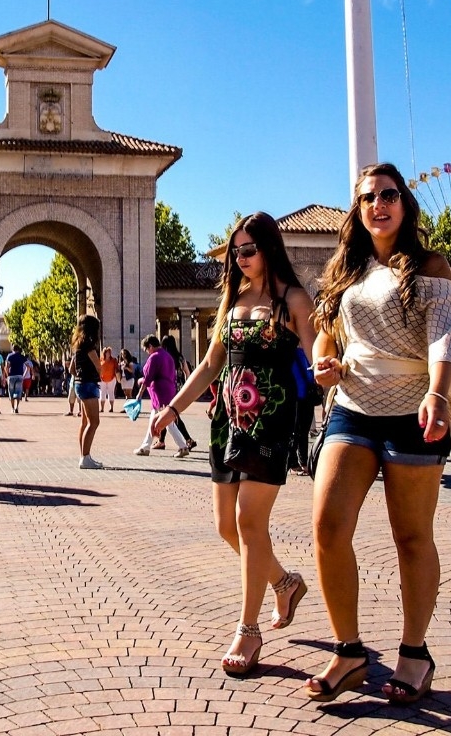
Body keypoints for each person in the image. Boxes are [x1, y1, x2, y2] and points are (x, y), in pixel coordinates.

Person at [301, 165, 451, 704]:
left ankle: (414, 654)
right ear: (358, 209)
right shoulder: (344, 272)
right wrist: (323, 363)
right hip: (352, 406)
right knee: (328, 527)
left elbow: (443, 339)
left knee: (411, 536)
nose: (379, 204)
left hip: (414, 410)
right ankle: (348, 652)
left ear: (405, 203)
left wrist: (438, 395)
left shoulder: (429, 265)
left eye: (389, 195)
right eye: (369, 197)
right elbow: (324, 338)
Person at [150, 211, 315, 679]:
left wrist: (329, 368)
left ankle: (248, 629)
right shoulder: (234, 300)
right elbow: (207, 366)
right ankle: (284, 583)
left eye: (249, 249)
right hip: (228, 420)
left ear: (269, 247)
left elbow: (316, 347)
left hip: (271, 420)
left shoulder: (293, 299)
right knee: (227, 526)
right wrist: (172, 410)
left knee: (248, 521)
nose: (241, 259)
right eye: (235, 252)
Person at [133, 335, 191, 457]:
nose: (147, 352)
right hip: (169, 390)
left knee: (164, 421)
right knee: (163, 420)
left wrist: (139, 393)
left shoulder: (154, 357)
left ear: (150, 346)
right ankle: (147, 446)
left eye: (146, 349)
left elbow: (148, 377)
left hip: (159, 393)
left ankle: (182, 446)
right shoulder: (168, 356)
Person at [69, 315, 105, 469]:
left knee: (85, 422)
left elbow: (71, 369)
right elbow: (99, 365)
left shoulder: (77, 345)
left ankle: (85, 455)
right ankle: (85, 458)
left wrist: (80, 375)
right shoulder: (89, 345)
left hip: (79, 384)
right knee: (94, 422)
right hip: (89, 384)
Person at [157, 335, 198, 450]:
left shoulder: (165, 357)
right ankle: (161, 441)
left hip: (168, 388)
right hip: (179, 388)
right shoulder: (180, 357)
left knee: (171, 414)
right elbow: (187, 372)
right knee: (167, 413)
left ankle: (188, 439)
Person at [4, 344, 27, 413]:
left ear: (12, 349)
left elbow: (6, 367)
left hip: (11, 376)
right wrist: (24, 375)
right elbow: (28, 366)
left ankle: (12, 407)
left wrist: (7, 375)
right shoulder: (22, 356)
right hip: (19, 376)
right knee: (18, 392)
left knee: (11, 392)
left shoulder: (9, 356)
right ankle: (17, 407)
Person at [98, 346, 118, 413]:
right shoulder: (100, 360)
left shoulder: (114, 360)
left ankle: (111, 408)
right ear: (104, 353)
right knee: (102, 393)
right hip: (102, 379)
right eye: (107, 352)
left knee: (111, 392)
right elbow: (98, 368)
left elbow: (116, 369)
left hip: (111, 378)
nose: (108, 354)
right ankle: (102, 408)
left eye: (109, 352)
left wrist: (117, 376)